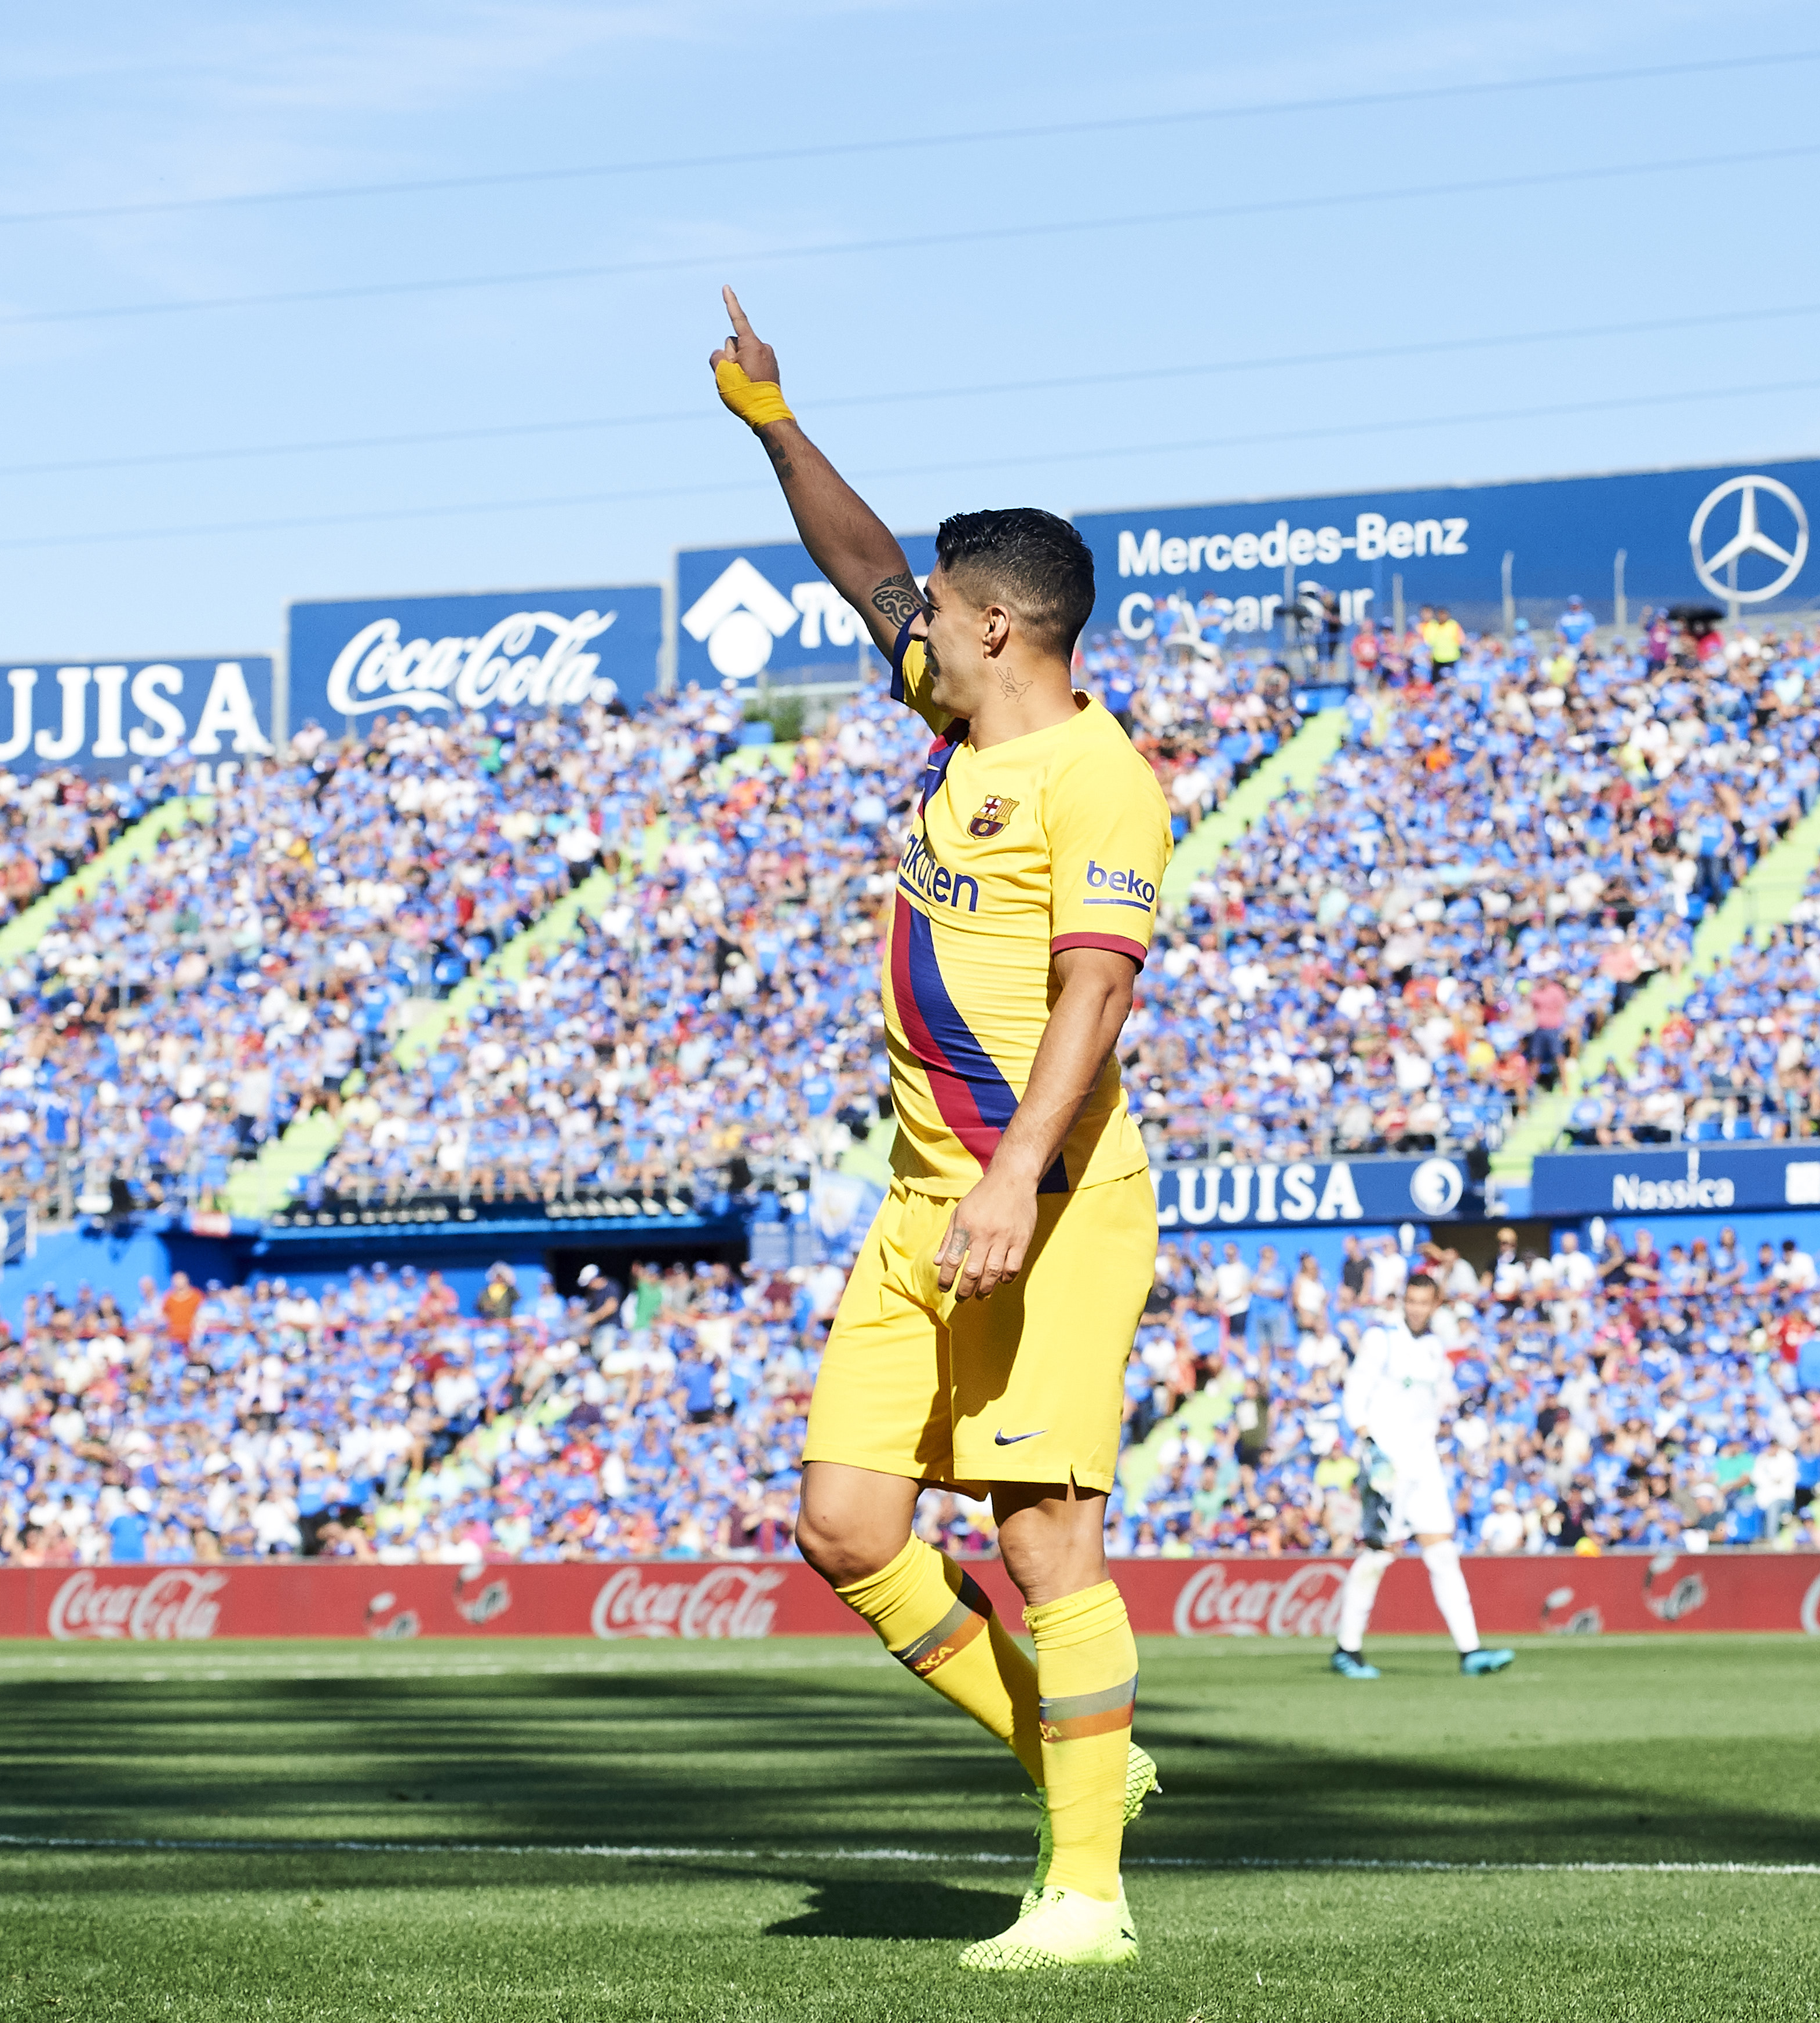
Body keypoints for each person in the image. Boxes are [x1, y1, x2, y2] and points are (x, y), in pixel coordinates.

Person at [712, 287, 1171, 1971]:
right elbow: (861, 568)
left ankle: (1085, 1897)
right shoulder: (963, 722)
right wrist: (772, 422)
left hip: (1039, 1203)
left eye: (944, 616)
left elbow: (1094, 1002)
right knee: (845, 1522)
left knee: (1041, 1533)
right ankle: (1084, 1770)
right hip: (921, 1206)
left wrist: (1008, 1179)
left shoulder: (1096, 781)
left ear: (1002, 633)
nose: (918, 630)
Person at [1328, 1272, 1514, 1681]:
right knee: (1379, 1552)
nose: (1415, 1308)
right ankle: (1347, 1647)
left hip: (1424, 1461)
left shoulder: (1433, 1348)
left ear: (1435, 1305)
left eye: (1423, 1302)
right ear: (1403, 1302)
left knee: (1443, 1552)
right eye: (1410, 1300)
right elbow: (1355, 1393)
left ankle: (1471, 1651)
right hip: (1387, 1463)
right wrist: (1369, 1444)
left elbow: (1438, 1400)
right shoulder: (1382, 1339)